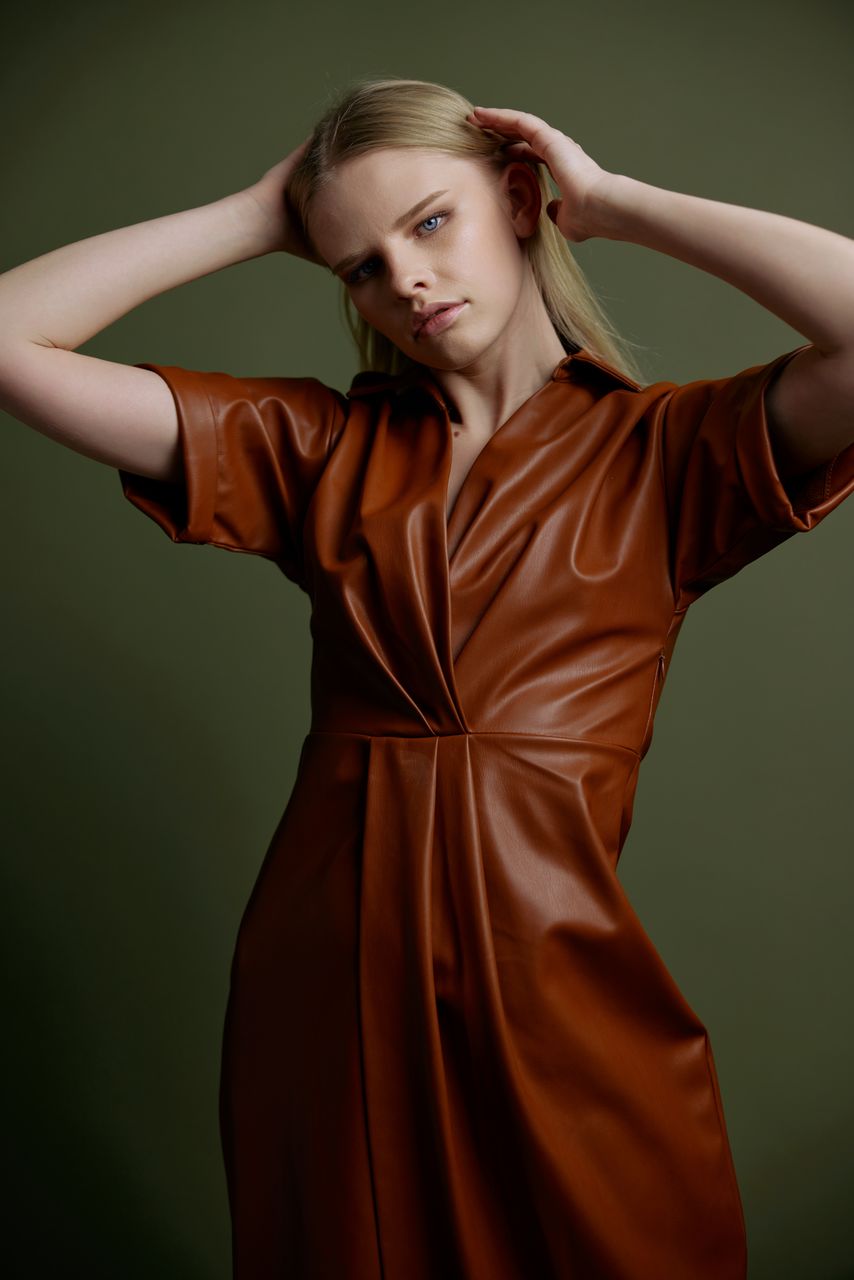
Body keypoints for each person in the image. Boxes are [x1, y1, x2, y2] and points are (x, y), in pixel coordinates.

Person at [1, 74, 852, 1280]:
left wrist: (615, 200)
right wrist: (252, 217)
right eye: (357, 263)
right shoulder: (313, 449)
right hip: (332, 992)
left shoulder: (665, 456)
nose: (400, 277)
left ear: (517, 200)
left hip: (556, 995)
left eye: (429, 222)